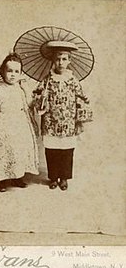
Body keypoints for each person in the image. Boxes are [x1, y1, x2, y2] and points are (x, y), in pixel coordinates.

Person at [33, 41, 92, 191]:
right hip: (51, 120)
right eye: (58, 59)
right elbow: (36, 95)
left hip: (68, 120)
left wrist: (84, 101)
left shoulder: (73, 80)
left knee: (67, 150)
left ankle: (64, 177)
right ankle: (53, 177)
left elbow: (81, 96)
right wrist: (41, 97)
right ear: (53, 60)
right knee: (52, 150)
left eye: (64, 59)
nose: (60, 62)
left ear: (69, 61)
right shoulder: (47, 80)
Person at [0, 53, 39, 192]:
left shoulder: (20, 88)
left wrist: (29, 91)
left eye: (16, 72)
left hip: (19, 123)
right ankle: (1, 180)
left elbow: (28, 106)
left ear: (20, 73)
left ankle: (17, 176)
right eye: (9, 71)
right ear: (2, 72)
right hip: (4, 124)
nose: (13, 75)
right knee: (3, 151)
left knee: (18, 150)